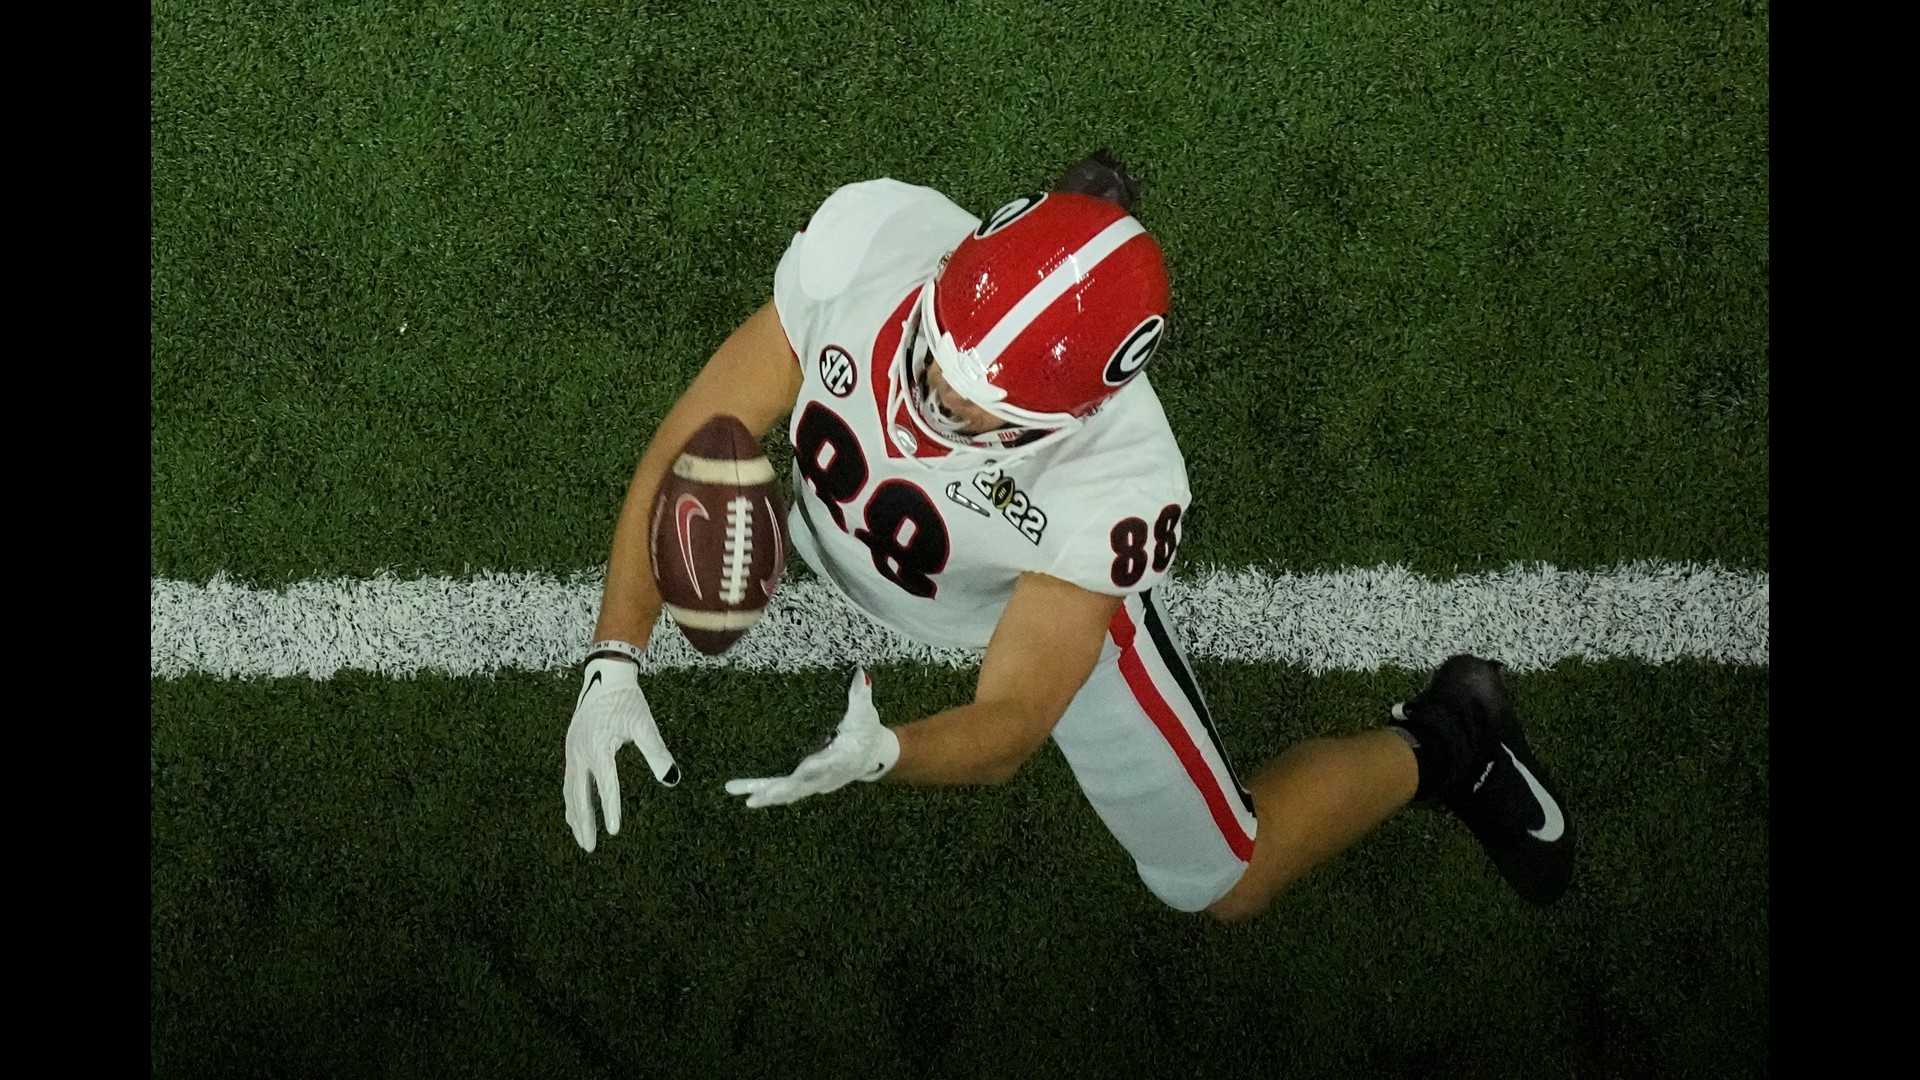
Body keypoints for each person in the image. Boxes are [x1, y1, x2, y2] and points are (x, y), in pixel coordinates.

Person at [562, 151, 1574, 916]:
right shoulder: (873, 243)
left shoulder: (1115, 487)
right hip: (851, 534)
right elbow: (701, 436)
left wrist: (887, 753)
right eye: (929, 352)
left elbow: (1009, 724)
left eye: (969, 412)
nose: (923, 404)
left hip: (1003, 600)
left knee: (1220, 881)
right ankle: (1078, 239)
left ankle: (1455, 741)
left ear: (1072, 423)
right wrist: (615, 654)